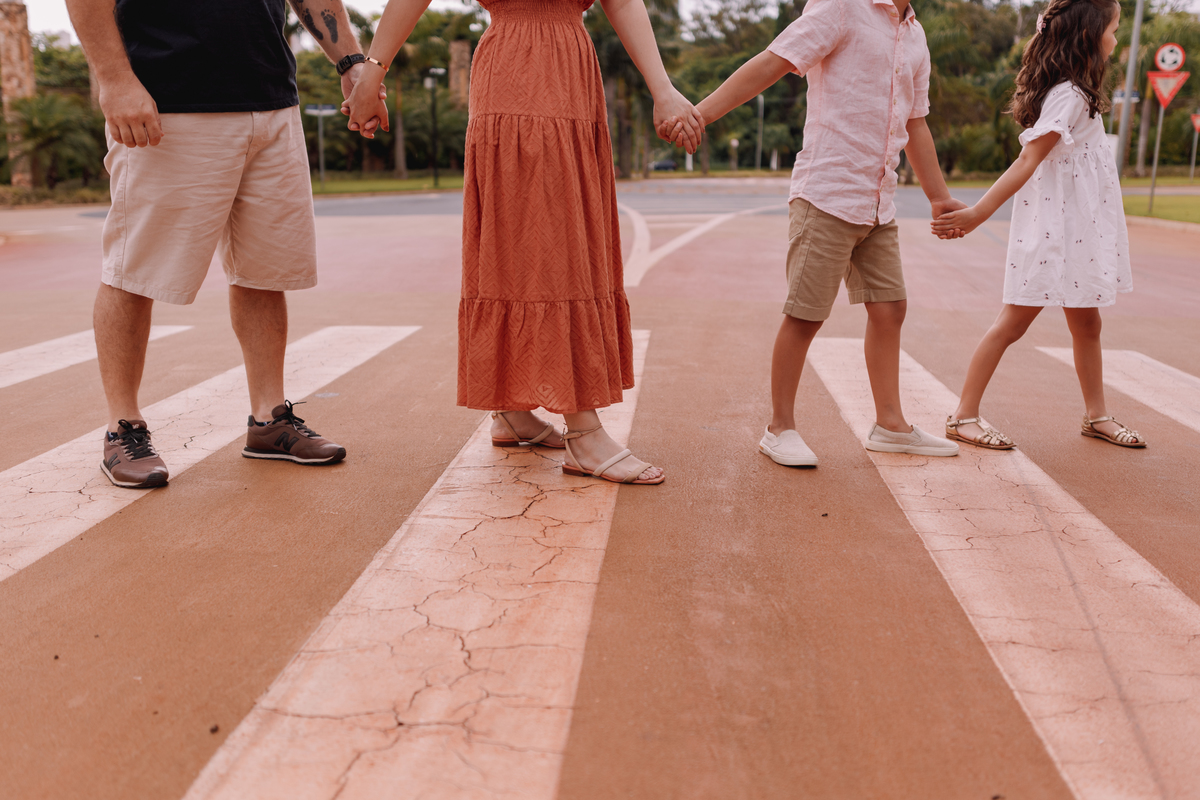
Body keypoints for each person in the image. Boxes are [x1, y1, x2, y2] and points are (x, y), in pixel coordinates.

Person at [343, 0, 703, 485]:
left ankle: (511, 409)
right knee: (547, 237)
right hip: (519, 74)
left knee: (539, 233)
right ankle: (583, 431)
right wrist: (371, 73)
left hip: (565, 75)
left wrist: (663, 89)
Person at [66, 0, 389, 488]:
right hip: (167, 103)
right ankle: (122, 428)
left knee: (265, 271)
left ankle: (269, 421)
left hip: (271, 101)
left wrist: (350, 63)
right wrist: (114, 79)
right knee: (133, 272)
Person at [690, 0, 963, 467]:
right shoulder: (843, 6)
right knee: (806, 313)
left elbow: (915, 121)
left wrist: (938, 197)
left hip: (879, 201)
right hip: (827, 192)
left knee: (890, 308)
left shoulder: (915, 36)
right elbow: (774, 61)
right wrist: (701, 114)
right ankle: (779, 428)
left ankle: (891, 425)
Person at [932, 0, 1145, 450]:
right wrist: (976, 214)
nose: (1117, 38)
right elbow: (1028, 159)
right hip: (1054, 231)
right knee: (1013, 322)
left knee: (1088, 324)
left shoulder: (1079, 91)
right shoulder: (1068, 94)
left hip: (1079, 231)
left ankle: (1096, 415)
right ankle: (962, 416)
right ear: (1090, 36)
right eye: (1113, 28)